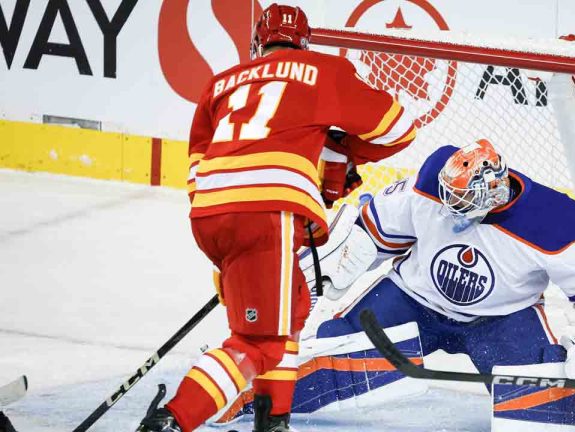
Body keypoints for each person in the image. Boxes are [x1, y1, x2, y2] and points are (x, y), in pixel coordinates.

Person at [137, 3, 416, 432]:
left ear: (258, 43)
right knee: (258, 342)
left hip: (211, 216)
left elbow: (196, 167)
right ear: (303, 43)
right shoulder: (324, 70)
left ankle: (274, 422)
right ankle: (172, 421)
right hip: (267, 215)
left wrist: (228, 257)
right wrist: (343, 150)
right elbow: (400, 128)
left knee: (293, 309)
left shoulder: (220, 83)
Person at [290, 139, 575, 430]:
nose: (446, 205)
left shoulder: (553, 222)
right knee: (331, 360)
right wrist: (330, 265)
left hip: (502, 320)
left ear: (492, 194)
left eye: (459, 198)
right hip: (412, 299)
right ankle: (255, 388)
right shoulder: (431, 182)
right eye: (448, 193)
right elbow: (372, 233)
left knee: (548, 415)